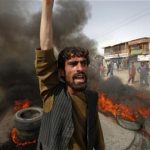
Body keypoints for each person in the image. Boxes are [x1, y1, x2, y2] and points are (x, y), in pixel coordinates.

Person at [35, 0, 105, 150]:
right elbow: (45, 53)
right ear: (61, 71)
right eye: (73, 64)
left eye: (83, 63)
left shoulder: (92, 97)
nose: (80, 68)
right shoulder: (52, 94)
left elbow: (97, 134)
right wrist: (47, 6)